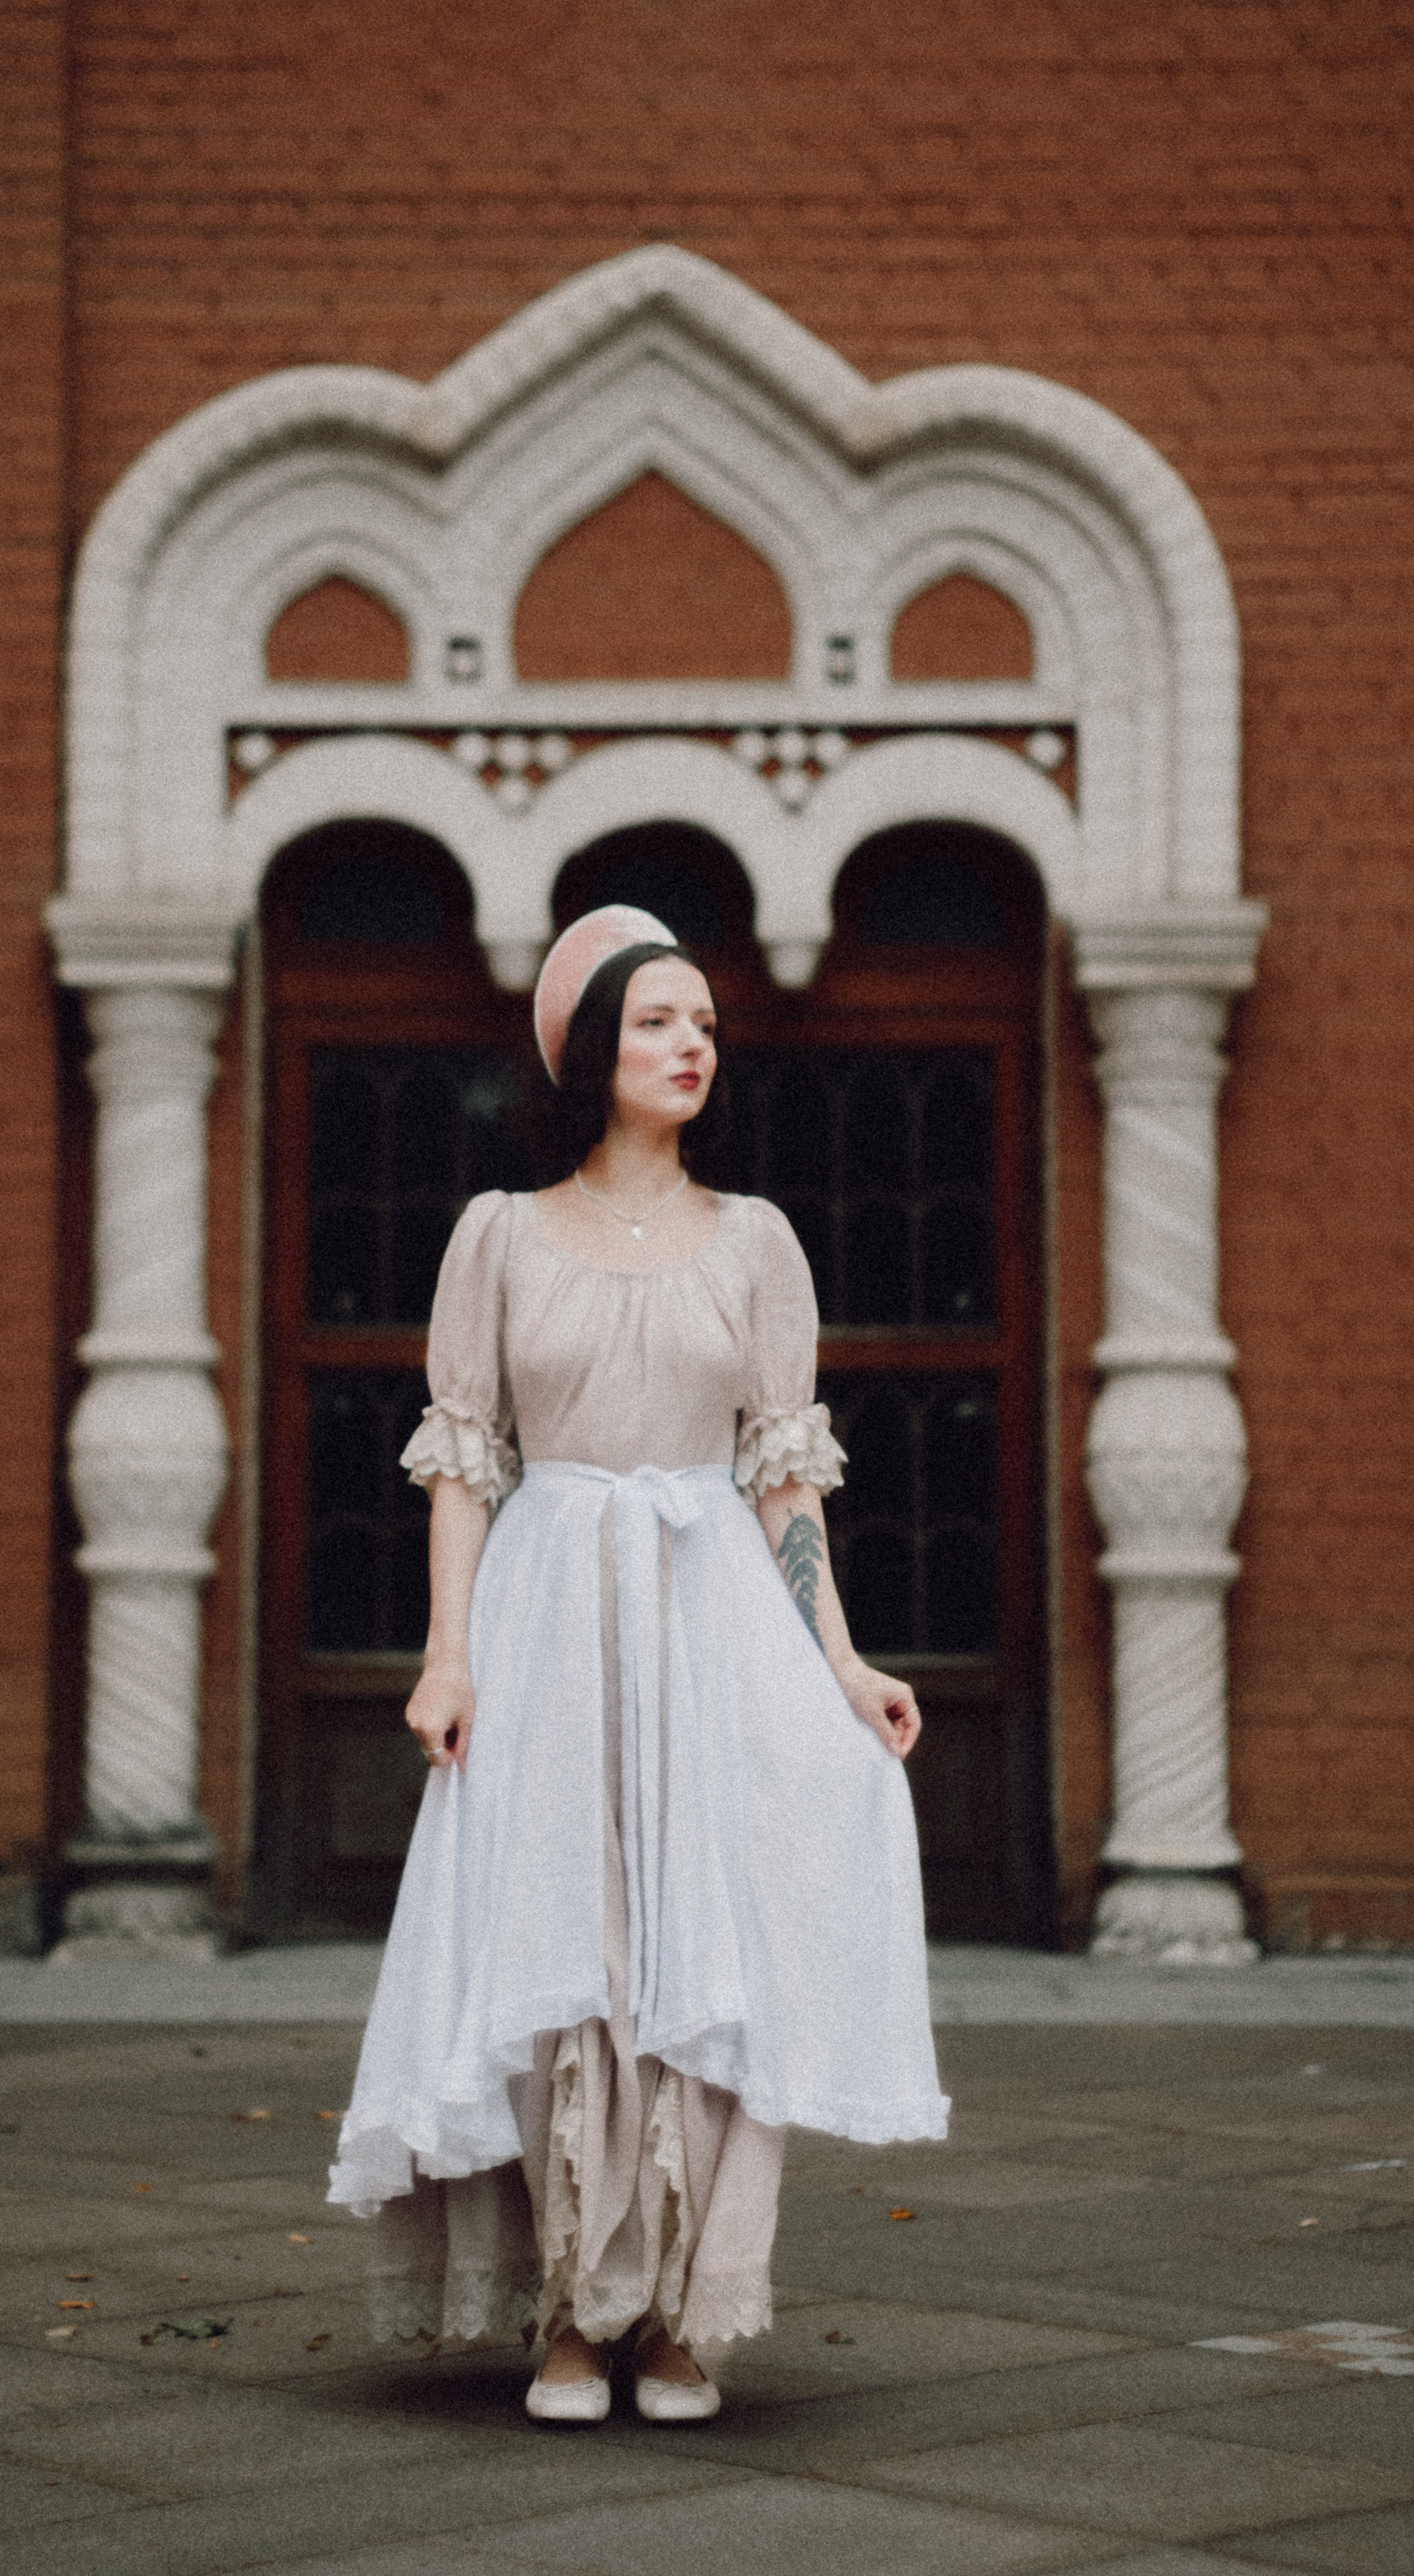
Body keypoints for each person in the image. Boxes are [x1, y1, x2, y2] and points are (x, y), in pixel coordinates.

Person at [327, 904, 947, 2423]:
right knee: (562, 1954)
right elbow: (465, 1462)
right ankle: (567, 2320)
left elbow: (783, 1475)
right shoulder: (498, 1233)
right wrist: (446, 1657)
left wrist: (844, 1661)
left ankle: (677, 2320)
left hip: (713, 1618)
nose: (691, 1048)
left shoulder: (757, 1242)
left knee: (707, 1954)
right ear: (590, 1048)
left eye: (708, 1027)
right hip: (546, 1613)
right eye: (661, 1021)